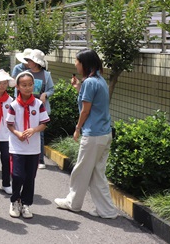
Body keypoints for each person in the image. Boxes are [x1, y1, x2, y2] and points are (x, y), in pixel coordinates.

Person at [54, 49, 118, 219]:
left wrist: (77, 128)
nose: (75, 64)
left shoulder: (90, 83)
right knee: (97, 174)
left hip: (93, 135)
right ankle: (107, 211)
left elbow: (86, 110)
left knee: (81, 171)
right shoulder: (99, 80)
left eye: (77, 61)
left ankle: (73, 203)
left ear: (84, 63)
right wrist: (78, 88)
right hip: (104, 134)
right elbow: (91, 101)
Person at [7, 72, 50, 219]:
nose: (27, 88)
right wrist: (17, 133)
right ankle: (14, 200)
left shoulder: (38, 104)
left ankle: (26, 204)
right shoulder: (13, 105)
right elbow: (9, 124)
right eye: (24, 85)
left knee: (30, 177)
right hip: (17, 147)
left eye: (30, 85)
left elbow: (44, 123)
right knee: (18, 176)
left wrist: (34, 129)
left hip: (33, 148)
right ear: (18, 87)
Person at [23, 49, 54, 169]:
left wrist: (45, 94)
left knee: (39, 133)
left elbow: (51, 89)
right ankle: (27, 156)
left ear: (36, 62)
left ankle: (40, 159)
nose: (28, 62)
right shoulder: (26, 73)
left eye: (30, 60)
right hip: (26, 107)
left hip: (40, 108)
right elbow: (18, 88)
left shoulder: (46, 75)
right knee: (26, 130)